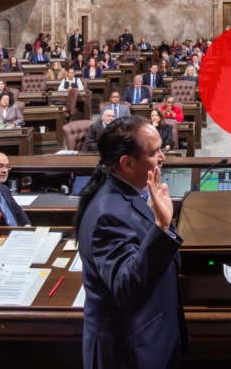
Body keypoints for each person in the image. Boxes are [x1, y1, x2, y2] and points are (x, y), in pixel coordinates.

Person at [71, 115, 187, 369]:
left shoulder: (125, 191)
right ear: (127, 163)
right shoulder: (107, 214)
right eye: (155, 152)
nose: (163, 157)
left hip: (151, 337)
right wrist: (162, 227)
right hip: (129, 354)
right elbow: (128, 291)